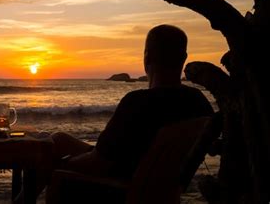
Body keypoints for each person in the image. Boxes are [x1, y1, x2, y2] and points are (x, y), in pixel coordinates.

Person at [50, 24, 214, 180]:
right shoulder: (198, 100)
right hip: (160, 184)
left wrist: (58, 164)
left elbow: (98, 164)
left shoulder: (137, 102)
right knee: (58, 139)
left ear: (147, 56)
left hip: (119, 186)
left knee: (42, 155)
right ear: (184, 58)